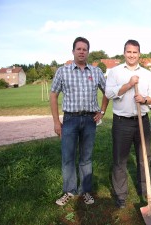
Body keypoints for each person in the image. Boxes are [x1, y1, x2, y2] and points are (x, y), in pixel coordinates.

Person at [50, 37, 109, 206]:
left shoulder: (96, 72)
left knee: (86, 157)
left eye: (85, 49)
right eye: (79, 49)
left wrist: (102, 111)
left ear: (88, 52)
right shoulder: (63, 71)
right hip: (70, 120)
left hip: (90, 120)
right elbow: (53, 95)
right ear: (73, 51)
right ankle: (69, 190)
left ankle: (85, 191)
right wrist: (56, 121)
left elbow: (107, 91)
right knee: (68, 157)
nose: (82, 51)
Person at [105, 39, 151, 208]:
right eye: (129, 52)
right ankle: (121, 195)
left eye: (135, 52)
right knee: (120, 159)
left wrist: (144, 99)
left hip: (142, 120)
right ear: (124, 53)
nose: (131, 55)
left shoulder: (147, 74)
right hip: (122, 122)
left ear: (139, 54)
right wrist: (129, 84)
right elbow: (109, 93)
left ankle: (146, 191)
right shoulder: (114, 72)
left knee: (145, 157)